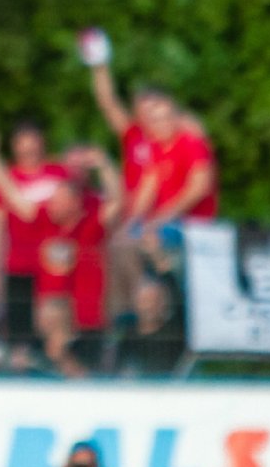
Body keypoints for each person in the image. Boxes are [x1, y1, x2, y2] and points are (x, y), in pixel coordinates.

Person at [82, 28, 217, 304]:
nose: (151, 118)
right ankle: (131, 312)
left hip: (180, 222)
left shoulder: (187, 138)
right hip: (150, 219)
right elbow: (108, 102)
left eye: (157, 112)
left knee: (146, 244)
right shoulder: (139, 136)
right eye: (145, 112)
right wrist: (99, 64)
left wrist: (155, 220)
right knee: (116, 246)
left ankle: (163, 303)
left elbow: (198, 184)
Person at [0, 143, 121, 377]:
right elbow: (12, 194)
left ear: (75, 203)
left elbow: (118, 201)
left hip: (86, 322)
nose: (51, 204)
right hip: (47, 322)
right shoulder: (43, 221)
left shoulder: (91, 224)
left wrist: (105, 165)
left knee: (84, 373)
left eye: (58, 201)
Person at [0, 124, 70, 364]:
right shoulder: (7, 179)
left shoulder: (59, 173)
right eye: (23, 145)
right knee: (20, 329)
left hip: (55, 264)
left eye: (33, 144)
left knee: (54, 323)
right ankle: (22, 365)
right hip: (19, 263)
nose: (29, 151)